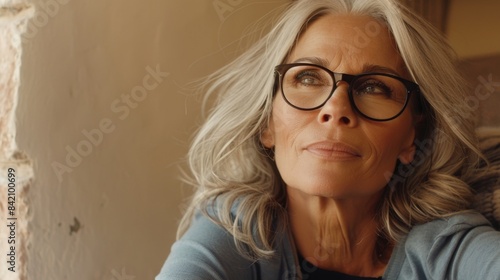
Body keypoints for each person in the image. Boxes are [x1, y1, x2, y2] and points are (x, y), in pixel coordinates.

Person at [156, 0, 500, 279]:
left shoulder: (446, 249)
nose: (335, 108)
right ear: (267, 123)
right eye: (307, 78)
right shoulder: (235, 230)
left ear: (413, 136)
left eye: (375, 86)